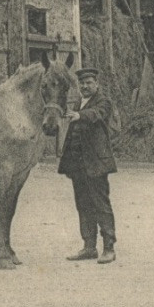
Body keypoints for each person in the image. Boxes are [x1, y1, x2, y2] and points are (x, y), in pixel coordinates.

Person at [60, 67, 119, 264]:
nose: (85, 86)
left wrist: (79, 115)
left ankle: (109, 248)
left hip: (96, 163)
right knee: (83, 205)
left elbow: (97, 114)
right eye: (82, 84)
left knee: (101, 204)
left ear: (97, 84)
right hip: (78, 165)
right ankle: (89, 247)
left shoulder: (103, 101)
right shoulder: (77, 102)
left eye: (89, 83)